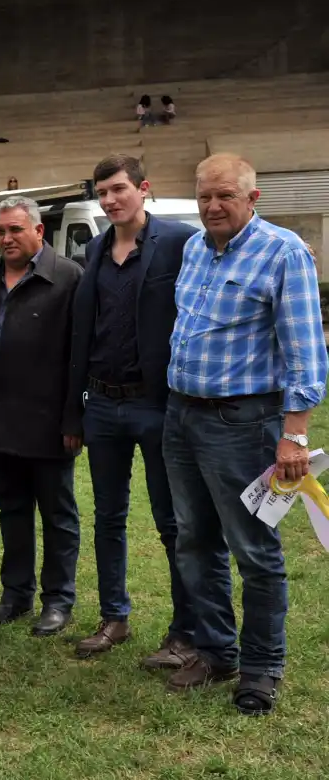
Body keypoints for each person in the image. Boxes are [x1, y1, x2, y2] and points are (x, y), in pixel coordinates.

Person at [163, 153, 327, 716]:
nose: (212, 206)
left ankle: (261, 669)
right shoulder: (192, 247)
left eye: (225, 196)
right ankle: (215, 651)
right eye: (205, 195)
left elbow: (307, 350)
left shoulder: (282, 253)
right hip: (182, 417)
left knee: (254, 551)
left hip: (243, 423)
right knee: (194, 539)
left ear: (252, 199)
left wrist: (295, 436)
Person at [66, 155, 199, 666]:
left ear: (144, 188)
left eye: (118, 189)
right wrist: (74, 409)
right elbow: (85, 329)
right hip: (101, 403)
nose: (109, 200)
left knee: (172, 521)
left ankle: (184, 630)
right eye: (102, 192)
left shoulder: (178, 244)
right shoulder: (95, 248)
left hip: (156, 404)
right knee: (108, 518)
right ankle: (113, 618)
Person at [0, 196, 84, 636]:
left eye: (15, 229)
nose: (7, 238)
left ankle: (58, 600)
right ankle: (15, 594)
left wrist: (74, 418)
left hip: (50, 423)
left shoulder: (69, 279)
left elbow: (79, 357)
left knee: (57, 515)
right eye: (0, 232)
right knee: (11, 512)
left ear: (39, 231)